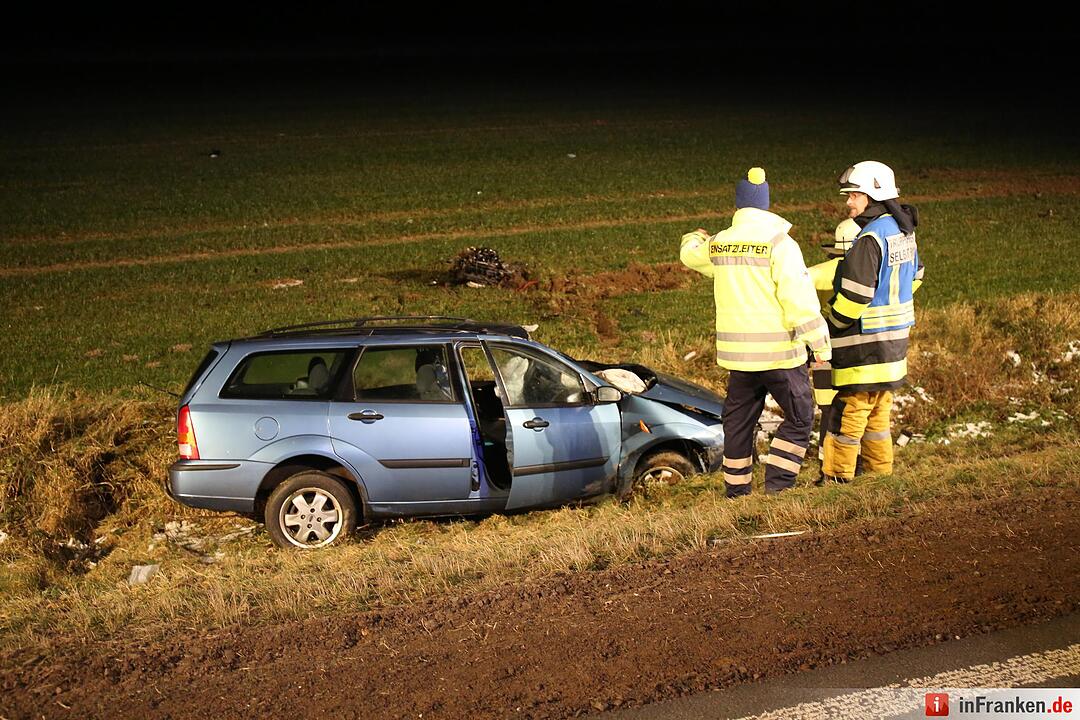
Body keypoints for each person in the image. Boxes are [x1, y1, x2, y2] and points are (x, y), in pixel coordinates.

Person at [680, 167, 831, 497]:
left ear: (737, 206)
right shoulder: (780, 243)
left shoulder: (720, 243)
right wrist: (820, 345)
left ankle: (737, 492)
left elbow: (690, 256)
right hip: (780, 357)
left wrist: (693, 236)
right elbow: (799, 300)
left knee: (737, 423)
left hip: (739, 360)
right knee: (800, 418)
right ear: (766, 205)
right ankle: (778, 486)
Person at [821, 161, 925, 483]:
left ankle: (837, 479)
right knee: (878, 414)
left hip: (864, 350)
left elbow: (855, 297)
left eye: (853, 196)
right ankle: (881, 477)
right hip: (894, 346)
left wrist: (830, 325)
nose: (848, 203)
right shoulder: (903, 232)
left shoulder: (869, 238)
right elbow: (916, 277)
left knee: (848, 415)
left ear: (872, 196)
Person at [808, 218, 860, 480]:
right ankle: (852, 466)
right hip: (856, 352)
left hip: (822, 352)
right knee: (854, 411)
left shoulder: (815, 273)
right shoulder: (866, 272)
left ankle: (824, 470)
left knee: (828, 411)